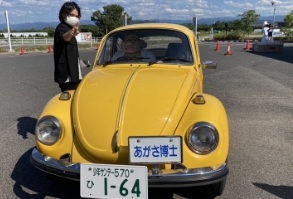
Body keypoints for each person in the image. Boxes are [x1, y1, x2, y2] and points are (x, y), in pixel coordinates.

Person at [54, 2, 82, 92]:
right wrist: (70, 33)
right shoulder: (61, 28)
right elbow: (64, 37)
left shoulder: (69, 27)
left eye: (77, 16)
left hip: (74, 74)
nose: (74, 18)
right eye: (72, 15)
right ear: (63, 14)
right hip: (67, 77)